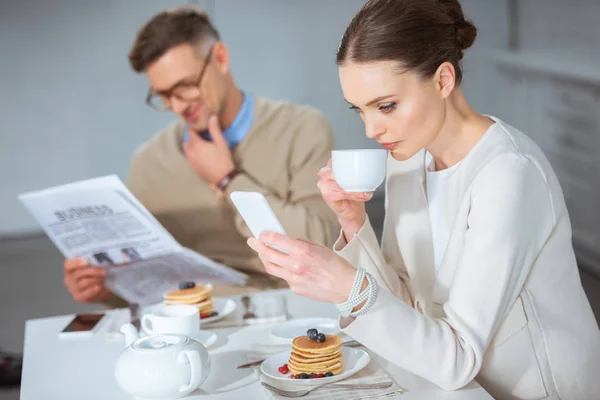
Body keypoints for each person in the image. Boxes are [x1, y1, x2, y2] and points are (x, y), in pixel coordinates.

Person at [247, 0, 600, 398]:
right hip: (454, 386)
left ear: (443, 80)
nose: (371, 129)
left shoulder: (508, 175)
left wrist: (347, 287)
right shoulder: (409, 159)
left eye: (386, 106)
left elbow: (458, 357)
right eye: (359, 111)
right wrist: (353, 222)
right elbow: (406, 303)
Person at [63, 7, 339, 306]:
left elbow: (321, 245)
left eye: (185, 86)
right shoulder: (149, 163)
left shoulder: (300, 128)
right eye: (164, 95)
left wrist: (228, 180)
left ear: (220, 58)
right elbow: (147, 287)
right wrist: (107, 290)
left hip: (288, 309)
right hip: (191, 318)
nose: (178, 106)